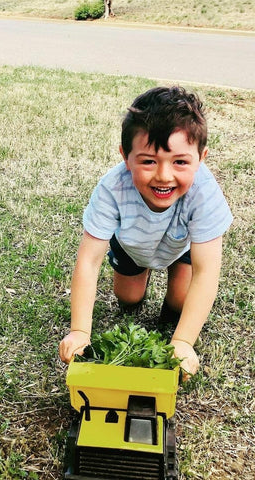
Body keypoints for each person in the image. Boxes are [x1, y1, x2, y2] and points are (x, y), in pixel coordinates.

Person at [58, 86, 233, 380]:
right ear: (126, 157)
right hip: (132, 243)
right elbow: (88, 262)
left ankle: (175, 275)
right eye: (149, 161)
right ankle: (140, 273)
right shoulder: (112, 188)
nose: (164, 175)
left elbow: (207, 271)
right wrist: (79, 331)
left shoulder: (205, 193)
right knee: (128, 298)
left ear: (201, 158)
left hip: (181, 246)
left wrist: (182, 342)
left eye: (180, 161)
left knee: (180, 302)